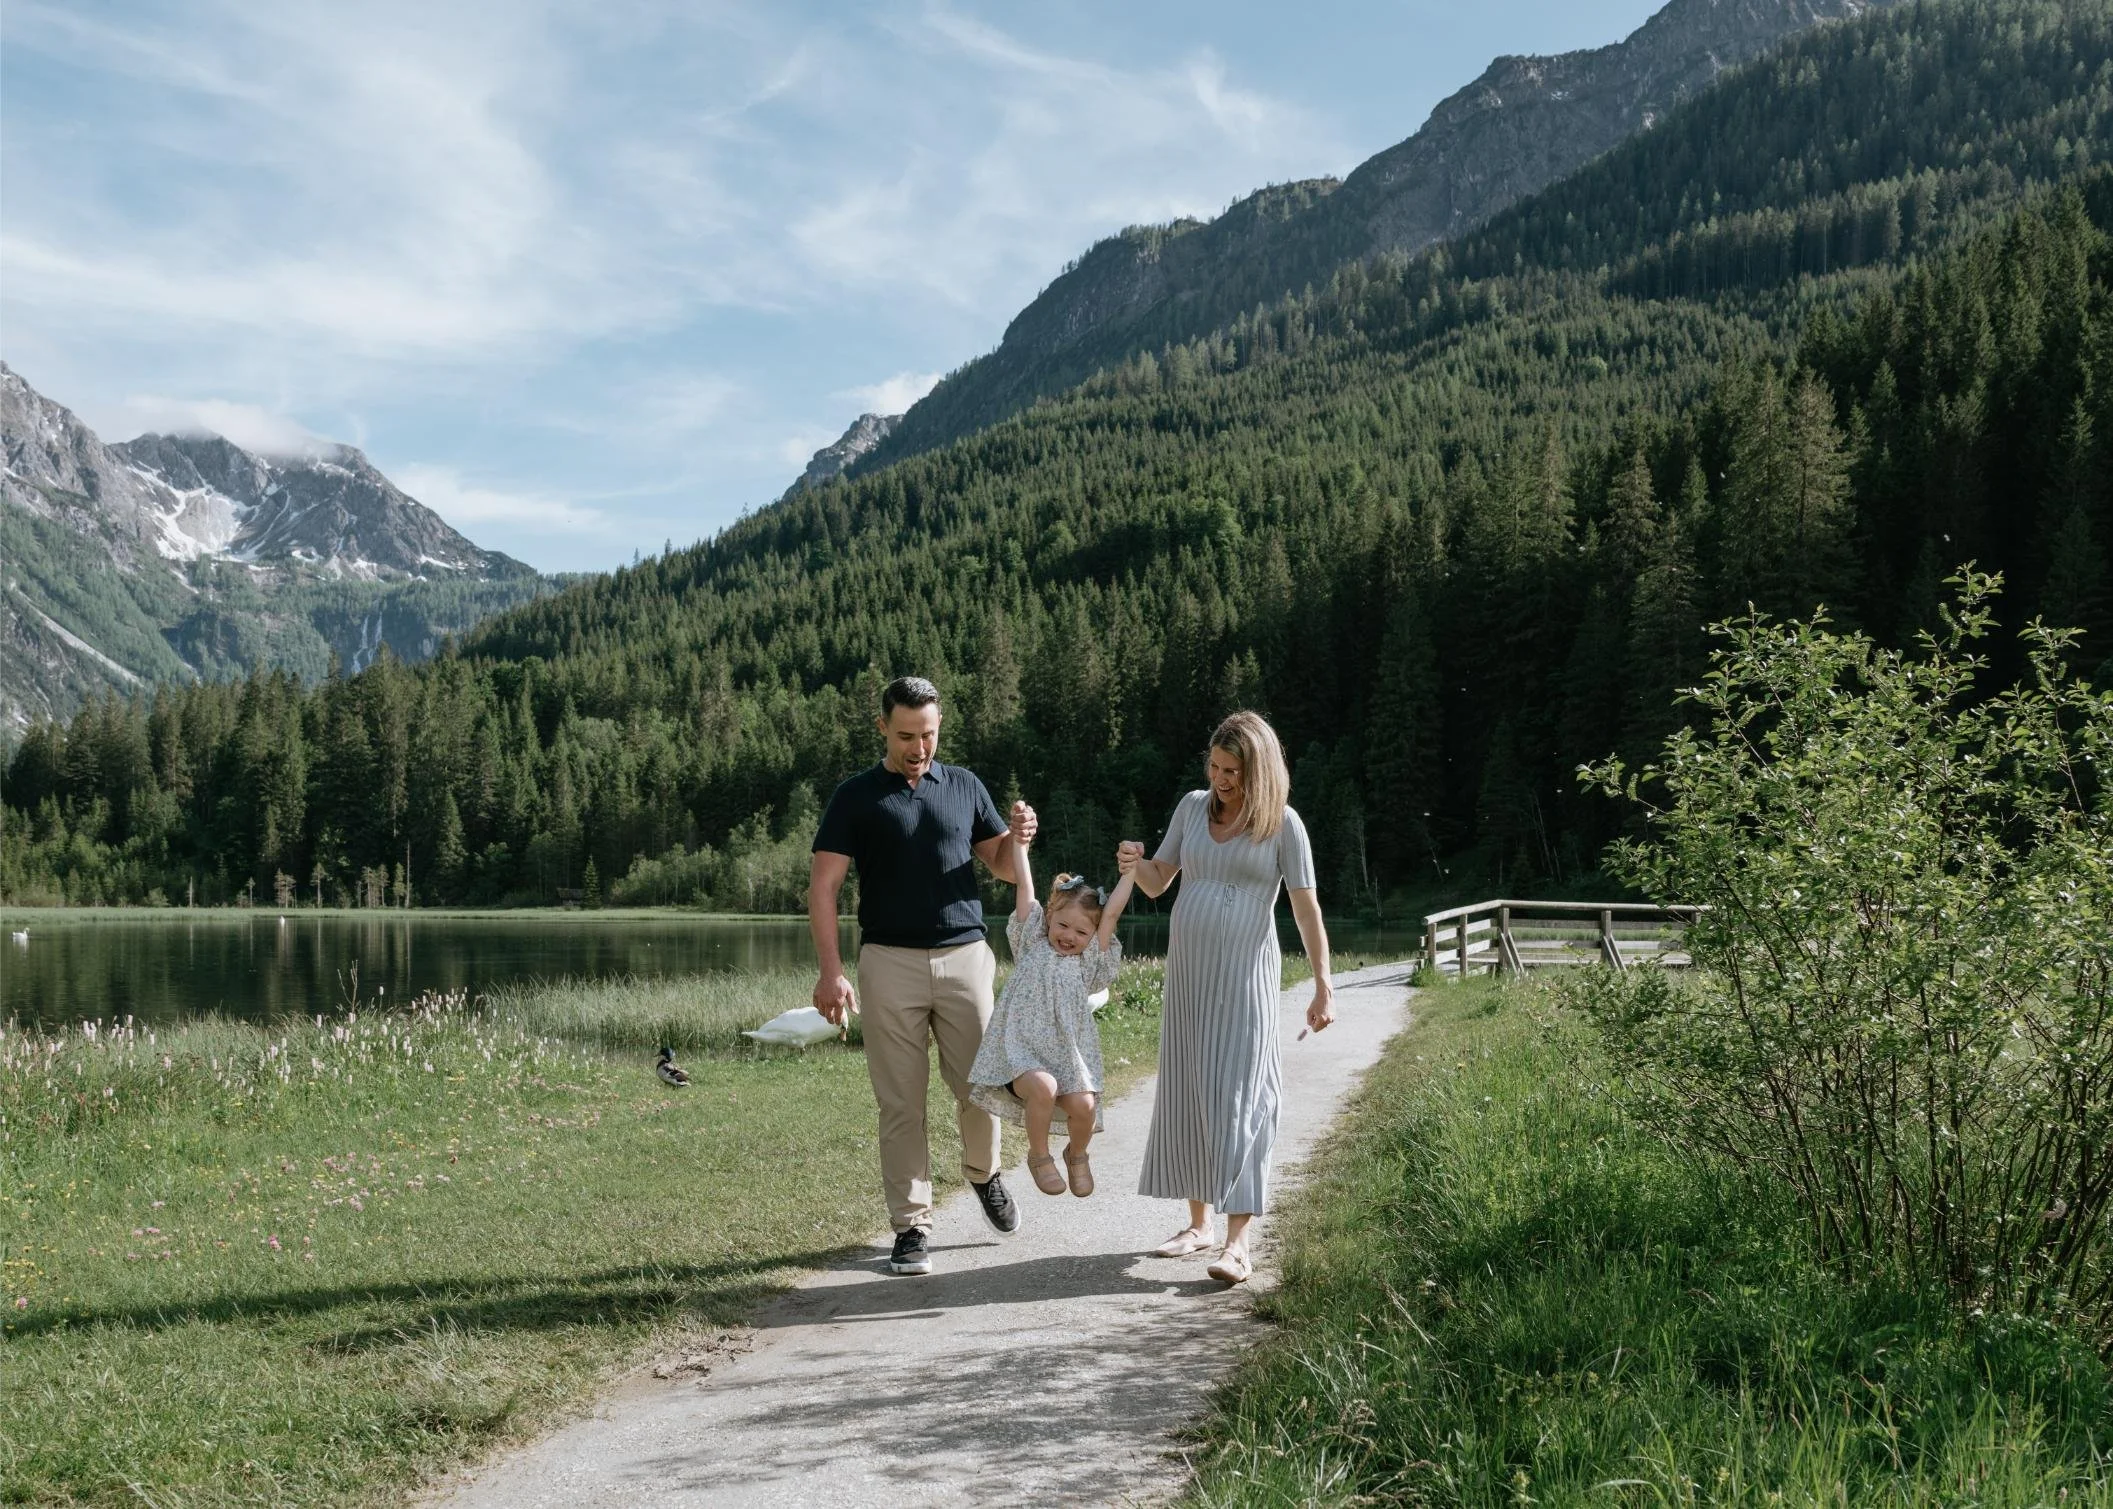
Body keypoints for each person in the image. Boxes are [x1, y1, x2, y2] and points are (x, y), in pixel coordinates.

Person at [809, 675, 1036, 1276]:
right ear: (882, 726)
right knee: (901, 1103)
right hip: (888, 963)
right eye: (906, 735)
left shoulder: (964, 786)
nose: (918, 747)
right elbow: (824, 887)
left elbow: (1005, 869)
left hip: (965, 958)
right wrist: (831, 973)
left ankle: (984, 1176)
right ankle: (912, 1227)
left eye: (928, 735)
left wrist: (1020, 842)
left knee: (981, 1088)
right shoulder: (854, 797)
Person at [1117, 710, 1335, 1285]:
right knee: (1191, 1087)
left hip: (1244, 978)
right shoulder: (1192, 807)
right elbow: (1161, 878)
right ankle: (1198, 1224)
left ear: (1258, 769)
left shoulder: (1283, 824)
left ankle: (1238, 1243)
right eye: (1214, 766)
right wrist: (1134, 863)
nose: (1221, 778)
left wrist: (1323, 981)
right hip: (1189, 974)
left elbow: (1304, 907)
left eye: (1233, 769)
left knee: (1239, 1095)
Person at [967, 825, 1136, 1200]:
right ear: (1048, 919)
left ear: (1091, 937)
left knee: (1084, 1105)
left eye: (1080, 931)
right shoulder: (1032, 943)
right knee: (1044, 1087)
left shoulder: (1089, 960)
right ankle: (1039, 1156)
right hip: (1022, 1055)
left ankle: (1077, 1156)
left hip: (1068, 1058)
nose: (1069, 936)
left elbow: (1111, 915)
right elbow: (1024, 890)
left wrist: (1131, 873)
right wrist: (1021, 847)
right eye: (1062, 924)